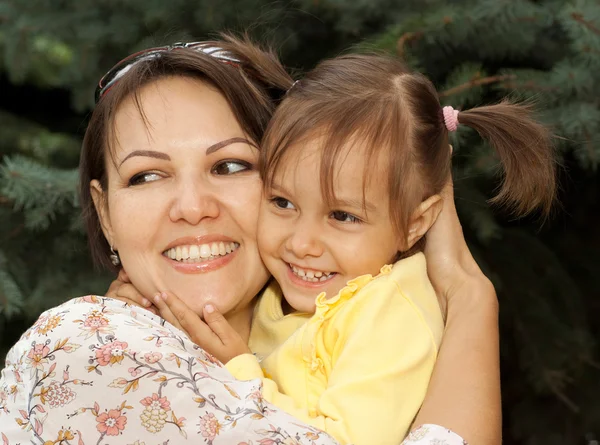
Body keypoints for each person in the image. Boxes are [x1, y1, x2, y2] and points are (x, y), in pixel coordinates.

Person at [0, 37, 500, 445]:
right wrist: (470, 298)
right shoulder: (88, 341)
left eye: (231, 165)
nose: (193, 207)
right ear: (105, 213)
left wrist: (466, 294)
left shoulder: (337, 324)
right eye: (147, 176)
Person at [142, 52, 555, 445]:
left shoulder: (389, 314)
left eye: (342, 216)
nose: (300, 243)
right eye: (282, 203)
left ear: (415, 223)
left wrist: (238, 370)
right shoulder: (283, 289)